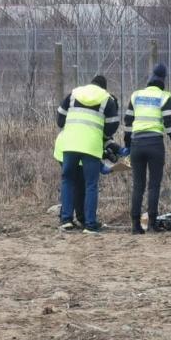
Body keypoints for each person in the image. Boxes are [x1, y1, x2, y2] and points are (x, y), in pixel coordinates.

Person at [123, 63, 171, 234]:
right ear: (163, 80)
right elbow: (170, 126)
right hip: (155, 144)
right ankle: (151, 224)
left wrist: (127, 145)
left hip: (136, 144)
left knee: (138, 185)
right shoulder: (164, 97)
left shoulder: (136, 95)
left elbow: (127, 123)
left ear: (150, 79)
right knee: (154, 185)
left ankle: (135, 226)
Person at [54, 75, 120, 234]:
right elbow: (112, 126)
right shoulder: (107, 99)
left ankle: (66, 220)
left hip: (69, 145)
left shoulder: (74, 93)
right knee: (91, 185)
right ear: (104, 88)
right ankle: (90, 225)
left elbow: (60, 119)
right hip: (91, 147)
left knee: (68, 180)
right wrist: (104, 138)